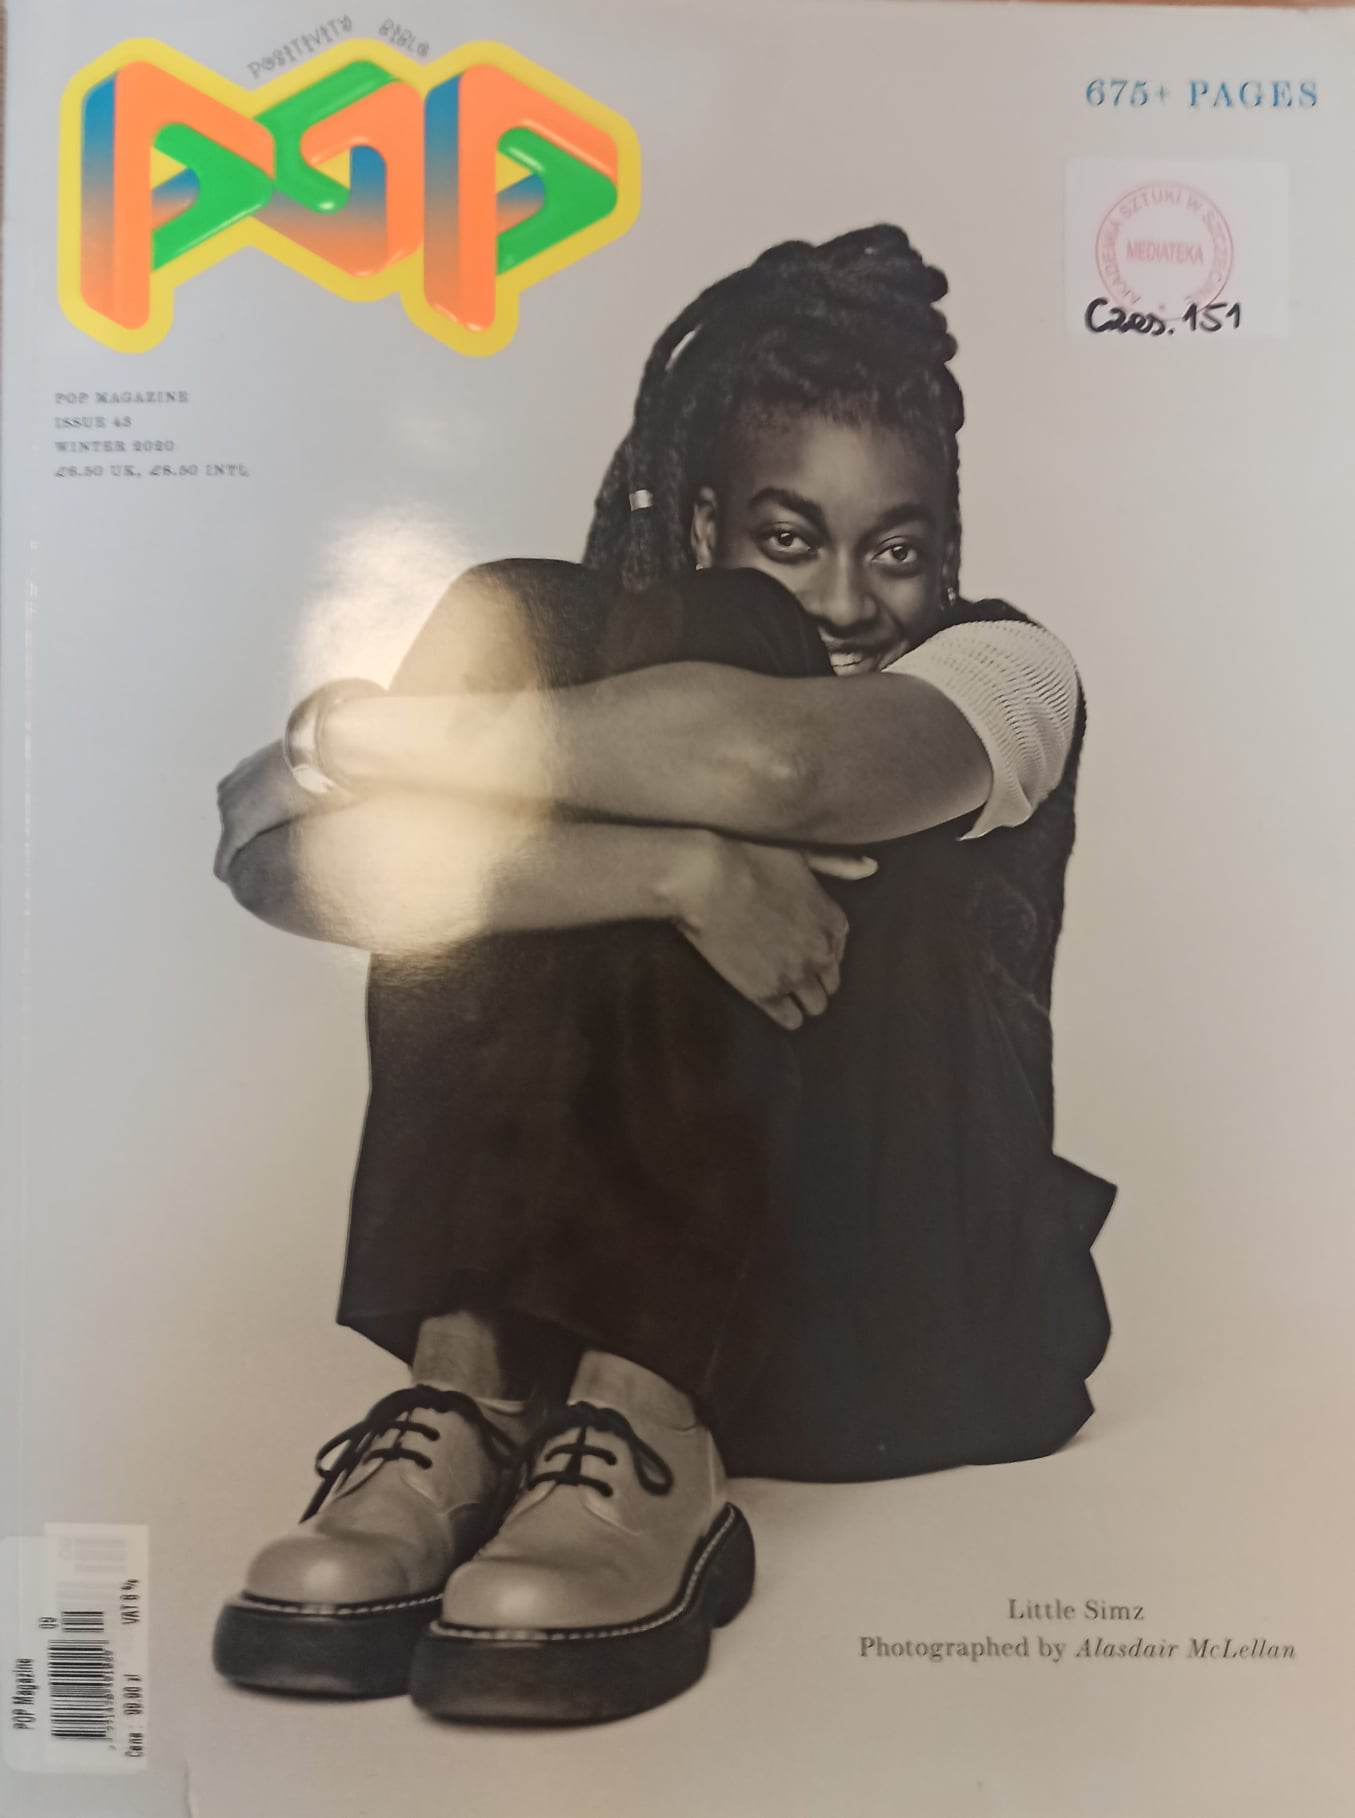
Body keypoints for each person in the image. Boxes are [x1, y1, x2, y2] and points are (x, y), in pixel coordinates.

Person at [210, 225, 1114, 1724]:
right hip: (642, 1280)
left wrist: (365, 738)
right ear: (700, 513)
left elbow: (774, 765)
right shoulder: (604, 660)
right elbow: (273, 860)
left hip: (906, 1311)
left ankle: (650, 1427)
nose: (846, 600)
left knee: (720, 673)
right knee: (522, 605)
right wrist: (668, 872)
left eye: (896, 550)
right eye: (789, 538)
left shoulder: (1006, 671)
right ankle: (476, 1400)